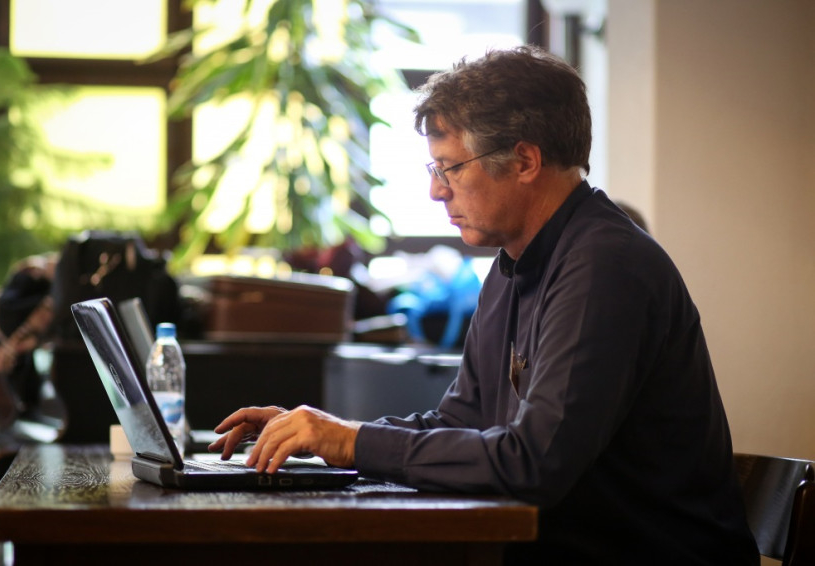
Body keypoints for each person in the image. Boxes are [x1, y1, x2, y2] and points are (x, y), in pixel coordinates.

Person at [209, 45, 758, 565]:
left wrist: (351, 442)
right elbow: (460, 420)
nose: (436, 191)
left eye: (450, 168)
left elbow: (532, 465)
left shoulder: (605, 266)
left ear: (524, 161)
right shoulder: (513, 263)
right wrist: (323, 436)